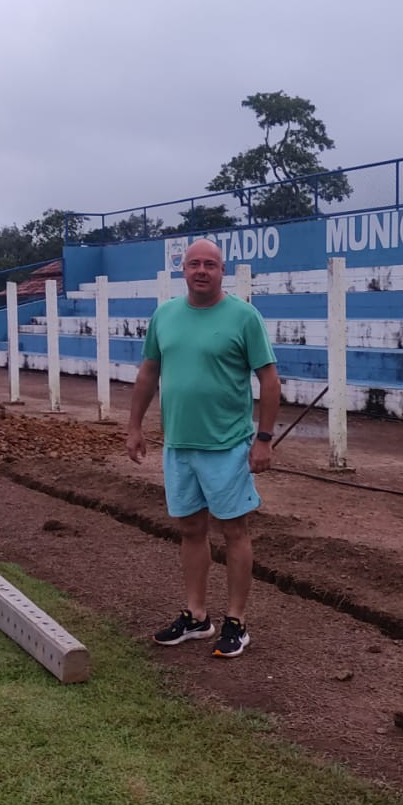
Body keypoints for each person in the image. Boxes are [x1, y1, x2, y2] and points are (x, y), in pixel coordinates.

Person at [126, 239, 280, 658]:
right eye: (194, 263)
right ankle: (196, 617)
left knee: (234, 530)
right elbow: (148, 373)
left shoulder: (244, 317)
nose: (201, 270)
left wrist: (263, 439)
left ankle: (236, 621)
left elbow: (268, 380)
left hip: (228, 445)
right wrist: (135, 426)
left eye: (210, 264)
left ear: (221, 271)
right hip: (179, 445)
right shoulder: (165, 316)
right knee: (191, 529)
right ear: (183, 270)